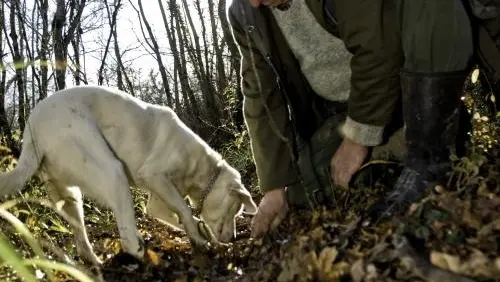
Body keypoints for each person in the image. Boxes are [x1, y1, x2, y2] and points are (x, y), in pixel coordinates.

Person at [226, 0, 408, 238]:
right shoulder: (244, 13)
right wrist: (274, 186)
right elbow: (261, 96)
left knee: (413, 152)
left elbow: (379, 48)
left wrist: (358, 137)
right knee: (301, 196)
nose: (255, 3)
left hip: (397, 87)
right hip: (332, 113)